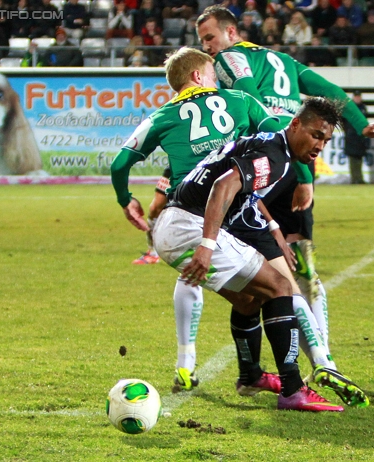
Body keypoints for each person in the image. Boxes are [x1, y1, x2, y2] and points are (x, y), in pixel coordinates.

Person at [196, 5, 374, 404]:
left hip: (268, 167)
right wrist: (360, 122)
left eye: (210, 38)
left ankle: (287, 368)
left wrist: (297, 173)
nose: (208, 47)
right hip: (294, 166)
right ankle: (322, 358)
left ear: (232, 33)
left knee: (264, 282)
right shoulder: (284, 60)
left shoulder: (231, 60)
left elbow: (253, 106)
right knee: (301, 269)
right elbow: (331, 95)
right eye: (204, 42)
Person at [111, 46, 288, 395]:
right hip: (230, 208)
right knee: (282, 287)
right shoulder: (237, 97)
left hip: (183, 210)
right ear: (197, 76)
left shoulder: (161, 116)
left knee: (244, 297)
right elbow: (277, 133)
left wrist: (124, 199)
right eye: (211, 73)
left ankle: (219, 368)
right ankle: (308, 372)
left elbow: (119, 163)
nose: (216, 80)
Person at [152, 97, 347, 412]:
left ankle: (251, 375)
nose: (319, 145)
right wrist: (207, 244)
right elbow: (223, 186)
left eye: (325, 139)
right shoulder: (275, 156)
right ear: (295, 124)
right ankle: (294, 389)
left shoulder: (267, 145)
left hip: (173, 225)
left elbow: (246, 192)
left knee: (249, 299)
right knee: (281, 287)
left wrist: (273, 231)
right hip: (190, 225)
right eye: (315, 135)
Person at [344, 91, 370, 184]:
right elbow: (344, 121)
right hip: (351, 137)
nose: (358, 98)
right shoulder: (350, 108)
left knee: (359, 159)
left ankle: (359, 178)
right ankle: (355, 179)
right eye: (356, 96)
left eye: (359, 96)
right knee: (353, 159)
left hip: (360, 137)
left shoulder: (363, 108)